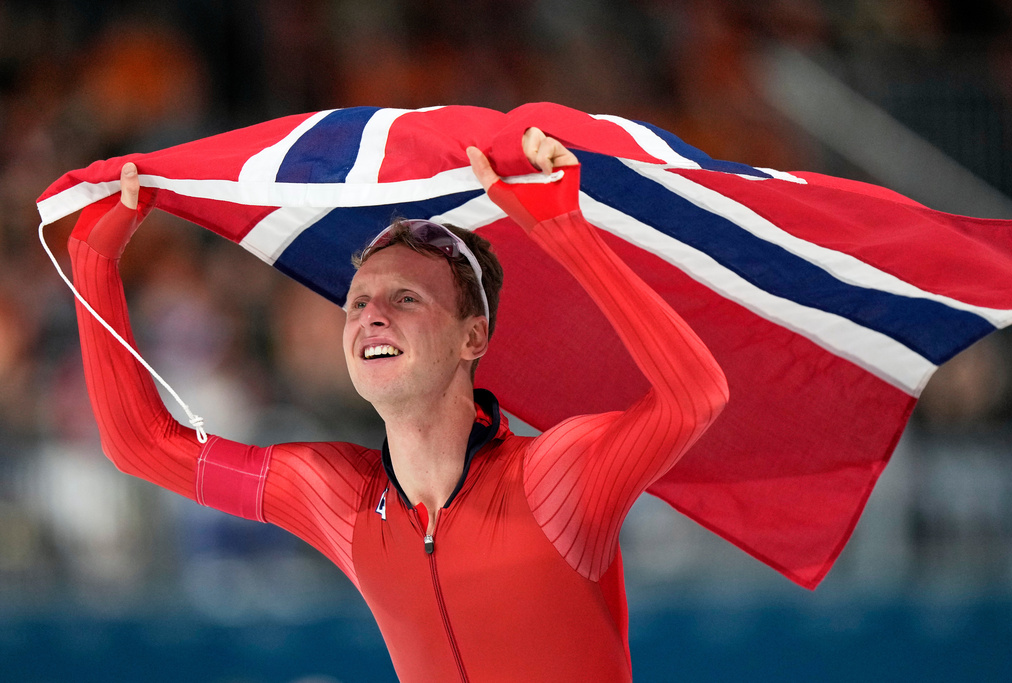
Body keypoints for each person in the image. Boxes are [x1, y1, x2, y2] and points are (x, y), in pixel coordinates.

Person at [69, 127, 729, 682]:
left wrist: (567, 233)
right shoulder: (336, 500)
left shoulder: (557, 478)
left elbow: (695, 395)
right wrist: (92, 257)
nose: (371, 318)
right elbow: (141, 445)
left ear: (474, 336)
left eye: (406, 299)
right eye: (358, 303)